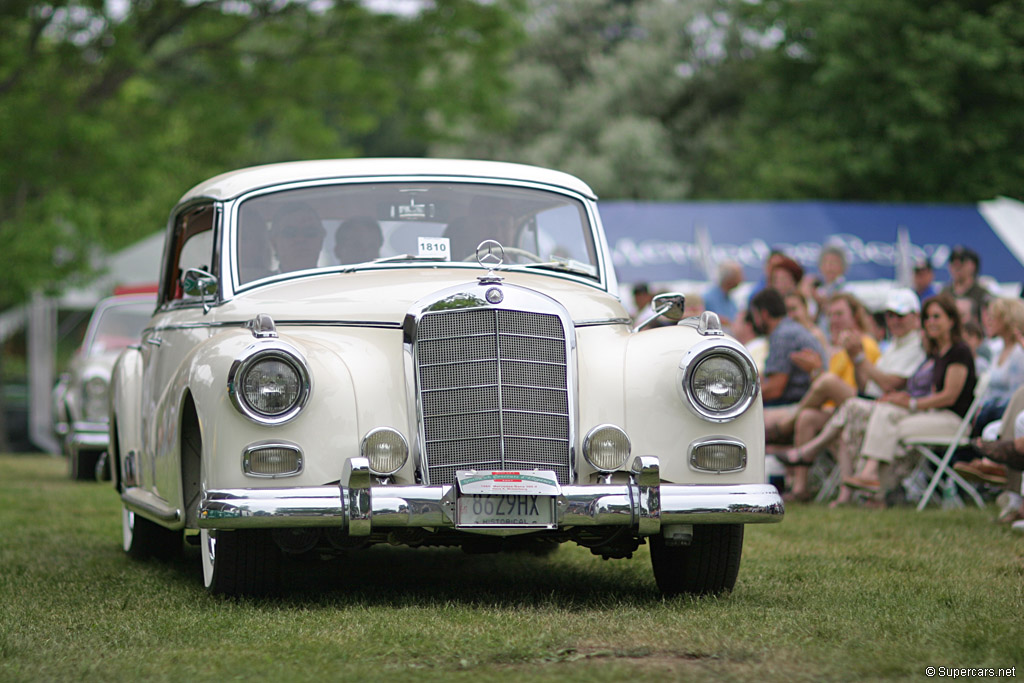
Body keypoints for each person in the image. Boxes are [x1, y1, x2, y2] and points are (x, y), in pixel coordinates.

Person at [771, 289, 924, 502]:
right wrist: (817, 370)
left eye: (840, 314)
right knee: (808, 416)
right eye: (890, 315)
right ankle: (800, 487)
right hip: (854, 404)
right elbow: (863, 385)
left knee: (828, 385)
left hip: (875, 406)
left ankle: (789, 427)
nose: (894, 320)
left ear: (855, 316)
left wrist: (858, 357)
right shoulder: (884, 346)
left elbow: (880, 385)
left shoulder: (867, 344)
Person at [844, 294, 976, 500]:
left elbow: (949, 397)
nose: (931, 322)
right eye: (928, 318)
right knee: (885, 412)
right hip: (934, 414)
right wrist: (902, 399)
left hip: (954, 421)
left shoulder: (959, 352)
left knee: (892, 429)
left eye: (936, 317)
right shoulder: (937, 352)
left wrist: (912, 403)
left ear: (951, 320)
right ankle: (871, 481)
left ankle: (875, 489)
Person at [940, 245, 990, 326]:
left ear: (972, 265)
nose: (957, 266)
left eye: (962, 262)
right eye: (953, 262)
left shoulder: (982, 294)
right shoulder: (944, 293)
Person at [269, 203, 326, 273]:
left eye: (310, 233)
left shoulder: (337, 282)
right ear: (274, 243)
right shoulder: (261, 283)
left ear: (321, 241)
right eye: (290, 233)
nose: (300, 239)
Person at [703, 261, 743, 329]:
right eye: (739, 276)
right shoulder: (708, 299)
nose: (742, 279)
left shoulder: (730, 299)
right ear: (730, 278)